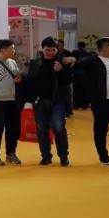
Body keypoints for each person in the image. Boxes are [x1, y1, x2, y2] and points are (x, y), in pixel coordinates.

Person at [25, 37, 77, 166]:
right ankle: (46, 156)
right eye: (47, 50)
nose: (50, 52)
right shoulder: (35, 62)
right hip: (39, 101)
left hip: (57, 101)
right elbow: (30, 81)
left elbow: (68, 81)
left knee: (58, 127)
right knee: (42, 128)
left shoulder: (62, 61)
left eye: (53, 50)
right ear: (42, 49)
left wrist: (61, 71)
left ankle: (63, 156)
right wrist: (29, 99)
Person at [76, 37, 109, 165]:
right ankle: (103, 155)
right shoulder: (92, 62)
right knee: (101, 129)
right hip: (102, 101)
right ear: (106, 47)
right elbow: (76, 69)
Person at [72, 41, 95, 110]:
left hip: (76, 74)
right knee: (84, 90)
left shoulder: (74, 53)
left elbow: (72, 64)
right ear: (85, 46)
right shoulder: (88, 54)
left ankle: (75, 105)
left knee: (76, 90)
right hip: (85, 75)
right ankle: (84, 105)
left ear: (78, 46)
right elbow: (91, 65)